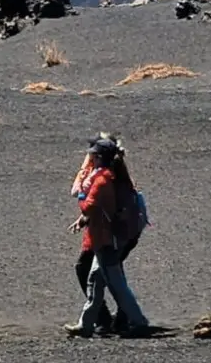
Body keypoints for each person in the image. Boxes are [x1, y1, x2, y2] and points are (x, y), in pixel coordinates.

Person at [64, 138, 150, 338]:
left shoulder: (102, 180)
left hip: (106, 240)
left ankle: (138, 322)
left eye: (93, 155)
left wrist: (83, 197)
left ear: (99, 157)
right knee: (95, 280)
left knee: (115, 284)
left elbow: (90, 206)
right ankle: (86, 325)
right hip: (107, 239)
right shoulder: (113, 177)